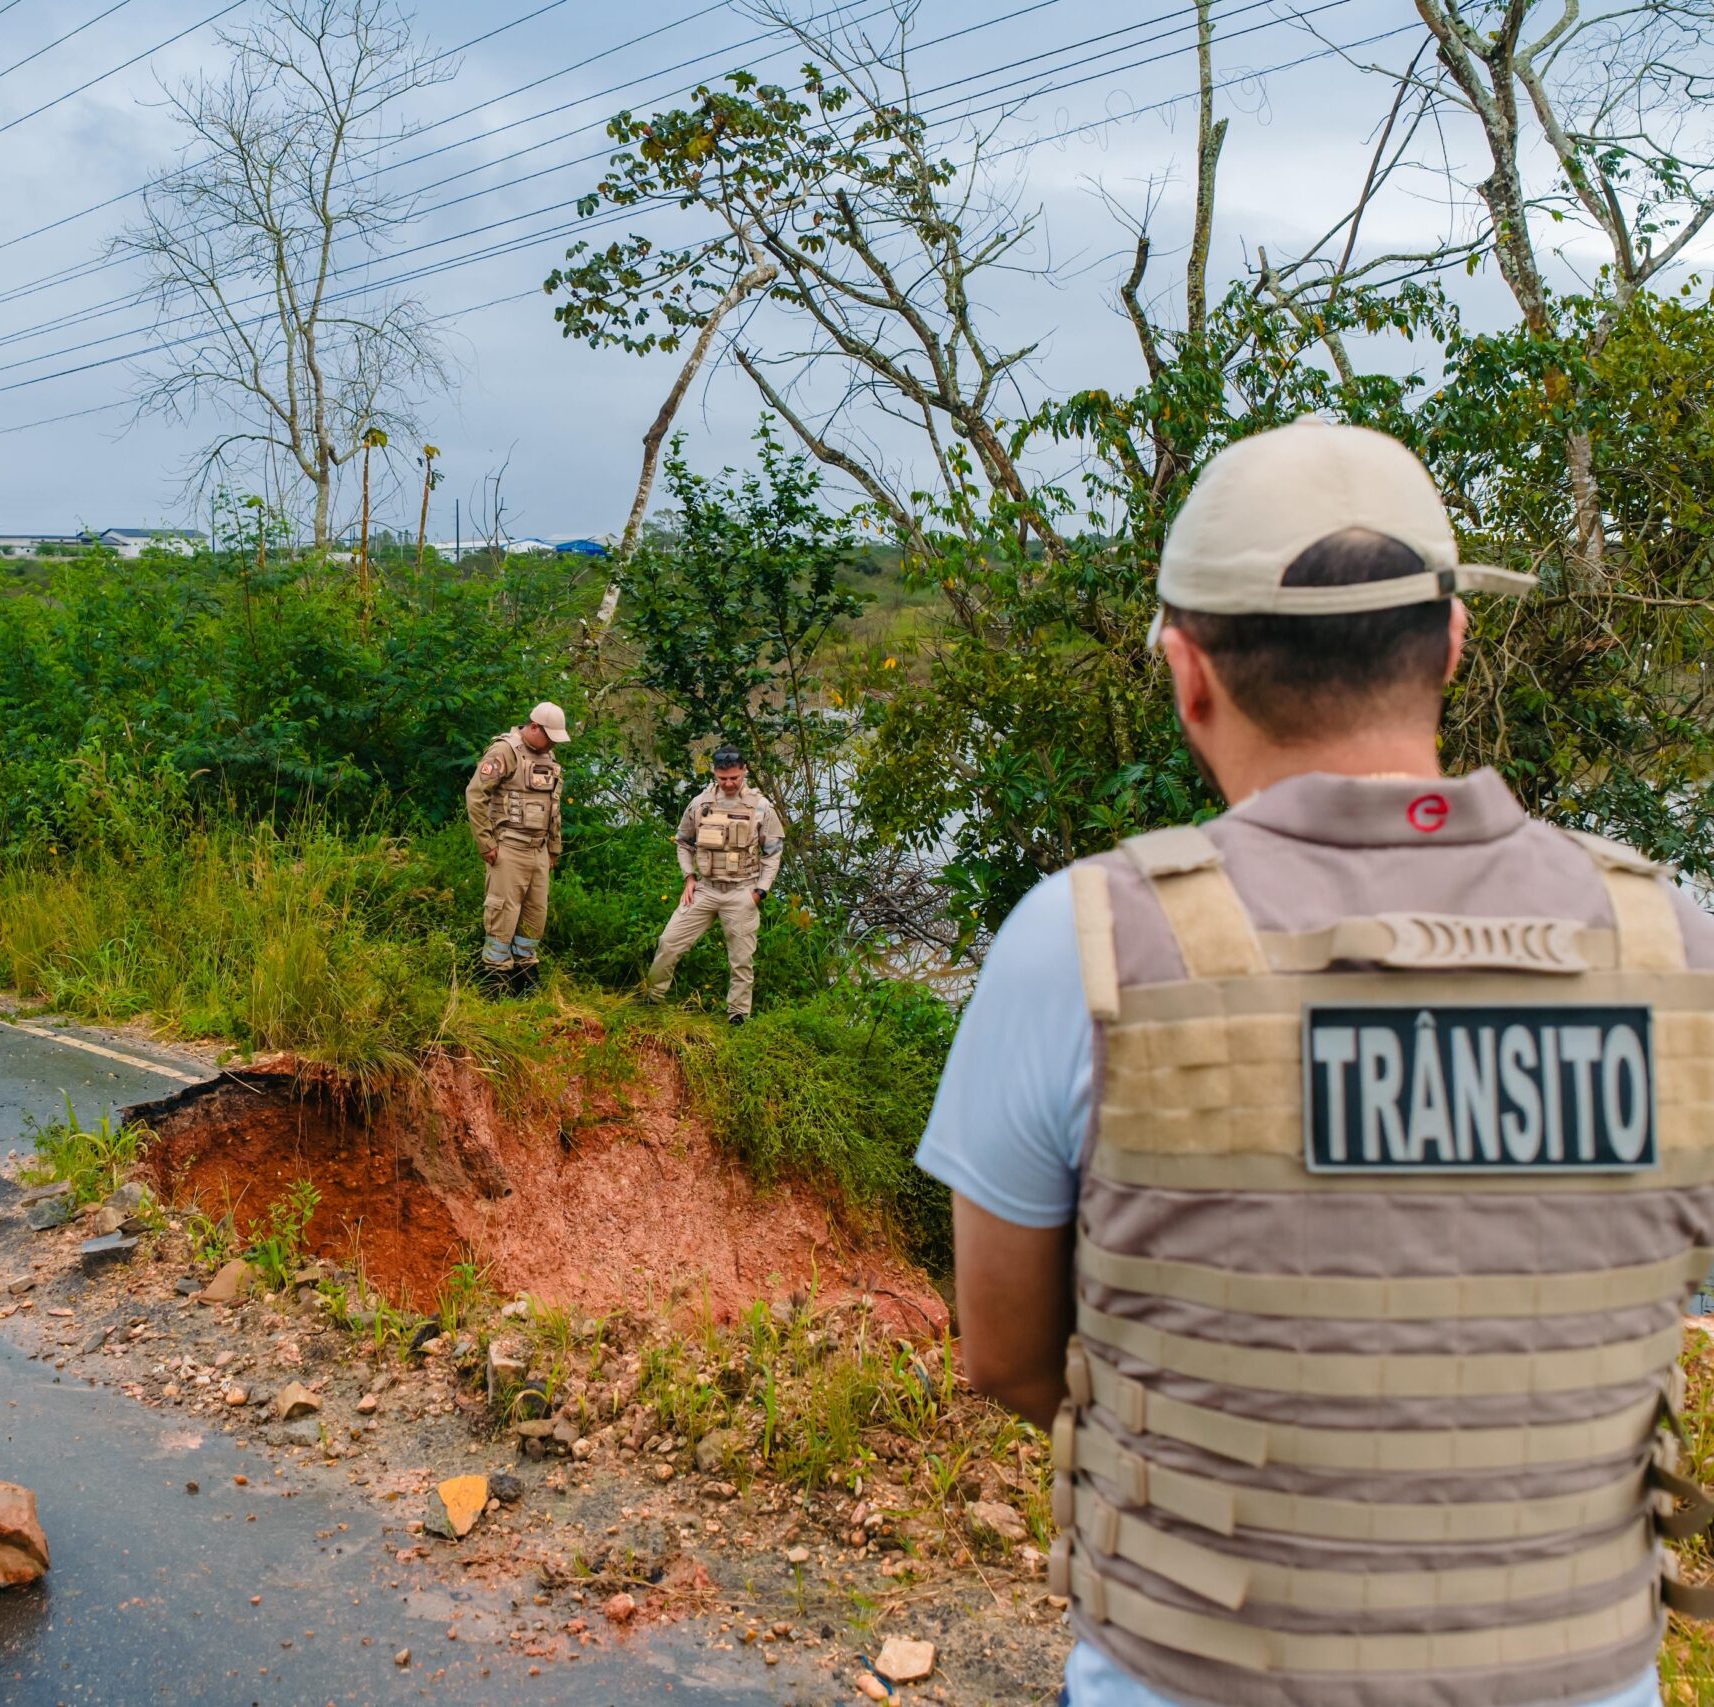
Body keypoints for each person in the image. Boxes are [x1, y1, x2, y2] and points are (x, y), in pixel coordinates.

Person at [914, 417, 1714, 1707]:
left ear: (1187, 673)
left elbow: (1004, 1358)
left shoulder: (1085, 944)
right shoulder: (1670, 945)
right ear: (1455, 644)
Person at [645, 744, 784, 1024]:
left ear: (744, 771)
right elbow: (683, 842)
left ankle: (737, 1016)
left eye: (735, 777)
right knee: (669, 942)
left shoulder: (761, 807)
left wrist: (760, 891)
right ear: (714, 774)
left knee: (741, 960)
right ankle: (651, 999)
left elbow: (773, 850)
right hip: (705, 890)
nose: (729, 783)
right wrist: (689, 877)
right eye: (723, 778)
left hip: (742, 892)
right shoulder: (700, 804)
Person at [466, 701, 571, 991]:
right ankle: (494, 980)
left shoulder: (548, 757)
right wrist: (486, 842)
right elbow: (476, 795)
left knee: (535, 915)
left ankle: (524, 976)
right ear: (534, 727)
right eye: (548, 736)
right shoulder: (504, 751)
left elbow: (554, 807)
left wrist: (553, 849)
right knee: (503, 913)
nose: (551, 743)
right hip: (508, 848)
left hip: (538, 851)